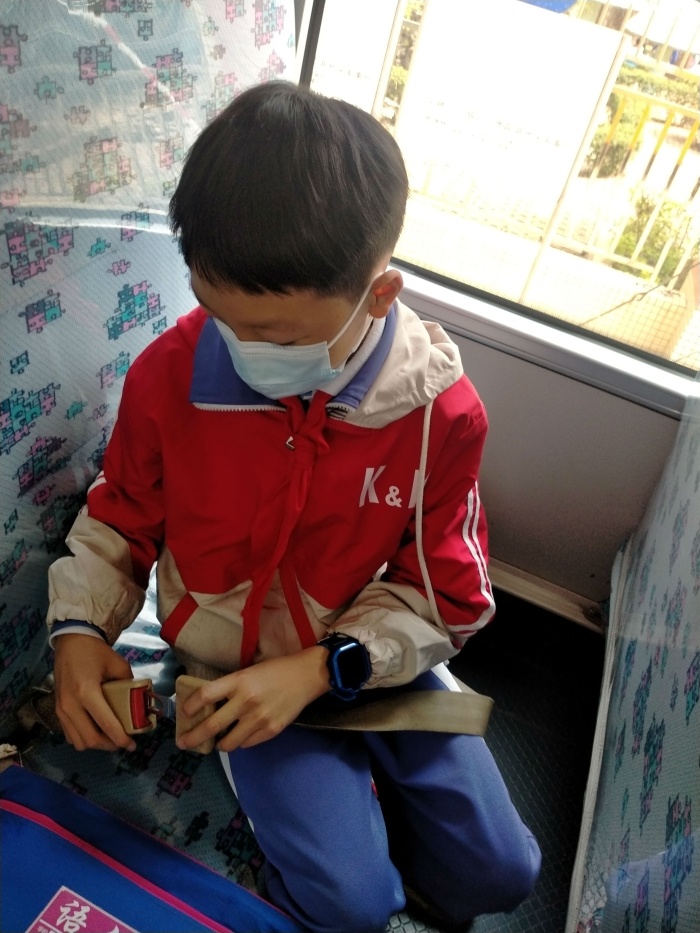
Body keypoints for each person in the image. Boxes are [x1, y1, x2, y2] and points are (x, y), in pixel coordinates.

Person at [48, 81, 541, 933]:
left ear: (379, 296)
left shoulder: (439, 414)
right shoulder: (170, 374)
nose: (241, 351)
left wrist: (325, 667)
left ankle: (386, 813)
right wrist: (80, 632)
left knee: (502, 872)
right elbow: (121, 516)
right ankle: (345, 832)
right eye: (216, 313)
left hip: (370, 654)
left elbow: (451, 595)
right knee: (351, 906)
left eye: (276, 337)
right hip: (234, 672)